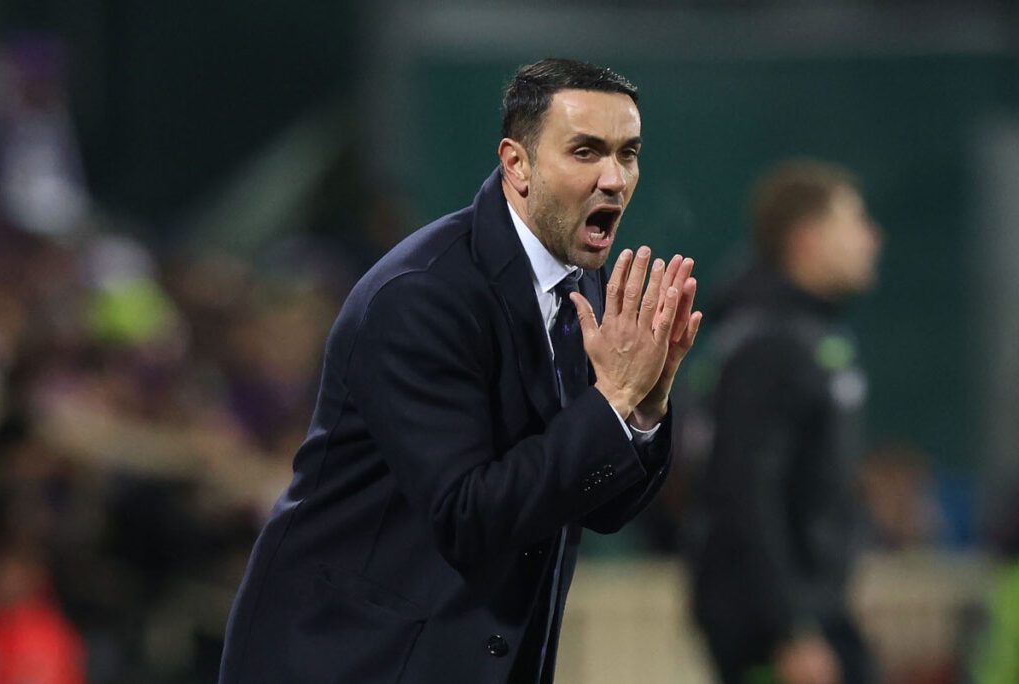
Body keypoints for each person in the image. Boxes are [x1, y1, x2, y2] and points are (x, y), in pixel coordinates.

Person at [219, 58, 702, 683]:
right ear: (517, 164)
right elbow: (470, 516)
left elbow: (596, 505)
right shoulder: (421, 297)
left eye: (628, 153)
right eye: (586, 151)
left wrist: (644, 407)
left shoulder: (582, 288)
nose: (614, 177)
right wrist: (611, 400)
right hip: (348, 662)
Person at [689, 159, 882, 684]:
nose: (872, 238)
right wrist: (790, 628)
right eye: (854, 222)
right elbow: (745, 492)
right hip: (773, 628)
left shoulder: (810, 335)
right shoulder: (768, 345)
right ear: (807, 239)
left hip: (811, 614)